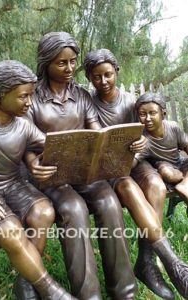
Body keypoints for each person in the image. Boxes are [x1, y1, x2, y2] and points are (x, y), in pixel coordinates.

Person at [25, 32, 137, 300]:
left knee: (109, 202)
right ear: (46, 63)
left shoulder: (82, 96)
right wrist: (32, 163)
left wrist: (109, 145)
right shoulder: (33, 98)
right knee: (74, 208)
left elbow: (96, 131)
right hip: (50, 176)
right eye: (62, 63)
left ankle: (125, 291)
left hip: (86, 172)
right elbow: (25, 143)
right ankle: (89, 295)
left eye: (73, 61)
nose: (70, 68)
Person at [0, 60, 75, 300]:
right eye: (23, 97)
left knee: (44, 212)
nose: (29, 103)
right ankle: (51, 291)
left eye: (31, 96)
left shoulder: (23, 126)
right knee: (11, 230)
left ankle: (26, 281)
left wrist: (90, 145)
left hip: (14, 185)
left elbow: (51, 145)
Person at [83, 48, 188, 299]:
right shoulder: (88, 103)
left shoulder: (132, 101)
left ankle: (146, 260)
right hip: (108, 167)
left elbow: (151, 131)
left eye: (108, 74)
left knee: (156, 186)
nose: (103, 81)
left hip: (136, 160)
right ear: (90, 78)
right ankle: (173, 263)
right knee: (128, 187)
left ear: (116, 72)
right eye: (96, 77)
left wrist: (141, 142)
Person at [135, 91, 188, 201]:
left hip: (180, 162)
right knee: (167, 173)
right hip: (164, 167)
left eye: (152, 113)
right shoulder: (143, 139)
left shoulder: (173, 127)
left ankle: (184, 185)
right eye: (143, 114)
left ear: (163, 114)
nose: (148, 118)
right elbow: (132, 162)